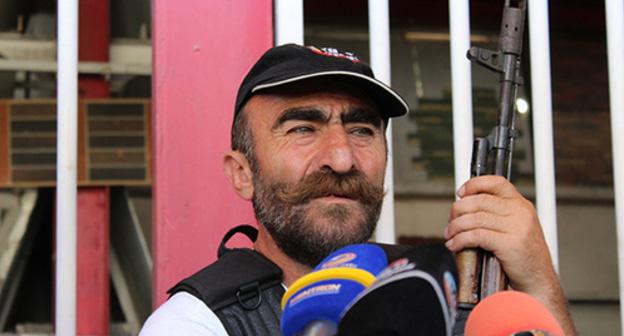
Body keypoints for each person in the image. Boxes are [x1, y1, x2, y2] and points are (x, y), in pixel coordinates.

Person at [140, 44, 575, 335]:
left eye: (362, 130)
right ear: (242, 173)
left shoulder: (431, 290)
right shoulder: (196, 324)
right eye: (303, 128)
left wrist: (539, 286)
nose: (342, 158)